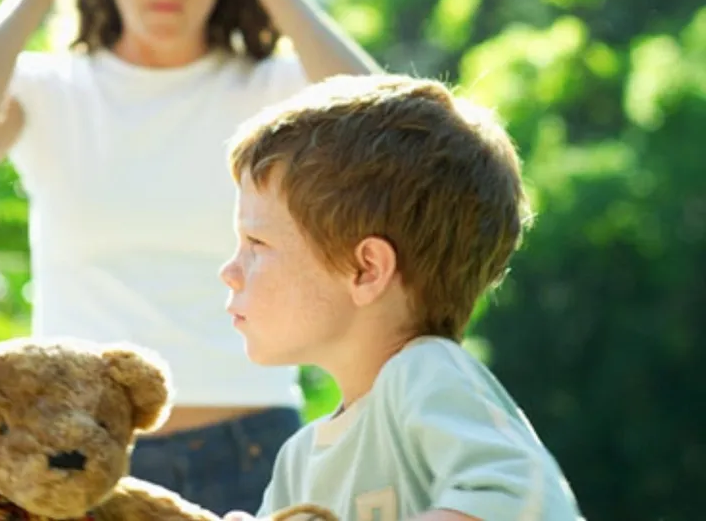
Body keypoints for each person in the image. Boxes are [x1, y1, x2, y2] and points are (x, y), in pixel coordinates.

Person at [0, 0, 381, 512]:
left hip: (252, 447)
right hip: (77, 462)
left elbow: (390, 135)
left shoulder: (278, 89)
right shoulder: (51, 90)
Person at [218, 74, 584, 520]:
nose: (229, 272)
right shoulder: (297, 460)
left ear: (367, 269)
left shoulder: (423, 372)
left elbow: (520, 498)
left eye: (256, 243)